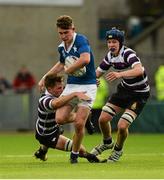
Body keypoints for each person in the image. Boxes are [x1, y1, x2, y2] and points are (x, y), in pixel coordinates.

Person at [38, 15, 97, 163]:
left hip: (88, 85)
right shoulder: (61, 47)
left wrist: (69, 70)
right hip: (72, 86)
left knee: (78, 124)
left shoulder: (81, 40)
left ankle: (74, 156)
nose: (63, 36)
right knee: (59, 118)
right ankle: (85, 118)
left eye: (66, 32)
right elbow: (60, 65)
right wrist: (44, 78)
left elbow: (86, 59)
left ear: (73, 29)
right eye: (60, 33)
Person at [90, 27, 150, 162]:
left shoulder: (128, 54)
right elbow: (98, 72)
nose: (111, 45)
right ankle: (107, 142)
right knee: (103, 118)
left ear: (121, 43)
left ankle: (117, 150)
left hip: (139, 94)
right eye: (109, 42)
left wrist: (119, 74)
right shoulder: (110, 56)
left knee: (122, 126)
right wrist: (93, 80)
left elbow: (139, 70)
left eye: (114, 42)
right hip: (124, 90)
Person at [34, 74, 100, 163]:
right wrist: (75, 94)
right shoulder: (44, 100)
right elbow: (57, 104)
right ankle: (90, 157)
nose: (62, 90)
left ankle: (41, 152)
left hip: (54, 127)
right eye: (59, 88)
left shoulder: (58, 93)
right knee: (81, 149)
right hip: (46, 135)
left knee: (69, 117)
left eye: (62, 87)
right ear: (49, 89)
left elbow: (74, 92)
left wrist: (90, 85)